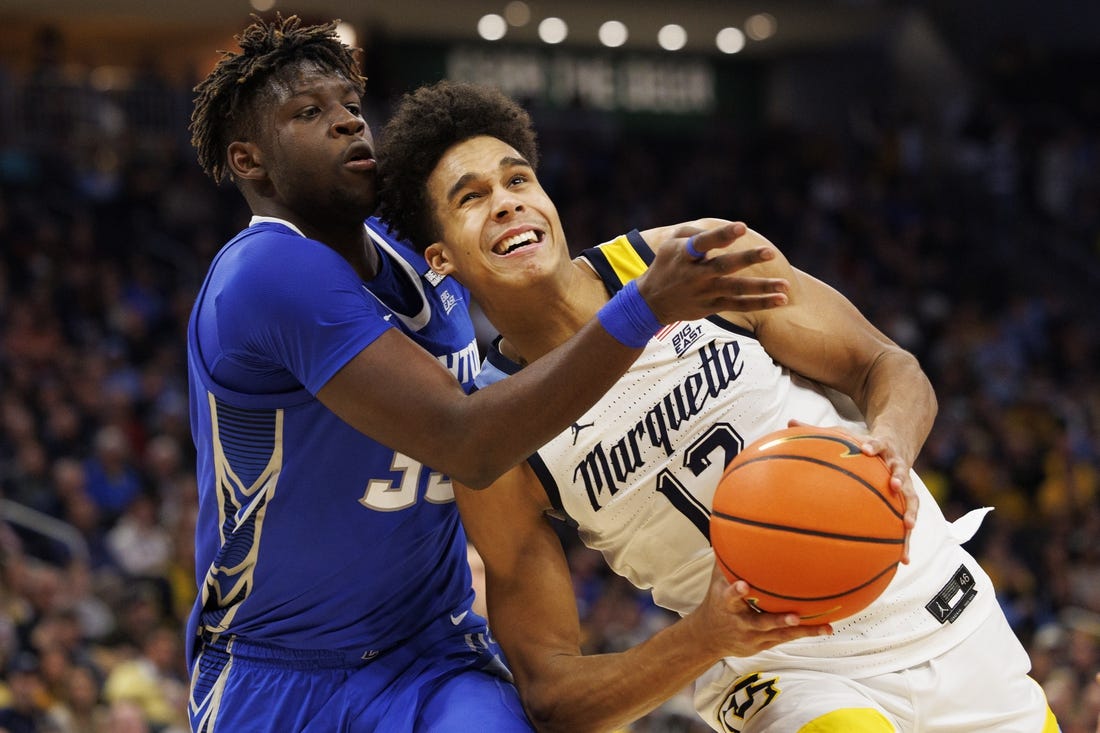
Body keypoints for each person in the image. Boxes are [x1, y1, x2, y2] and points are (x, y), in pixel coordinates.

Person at [375, 80, 1061, 733]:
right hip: (780, 668)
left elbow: (886, 365)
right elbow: (554, 699)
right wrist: (702, 636)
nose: (506, 202)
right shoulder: (494, 440)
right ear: (440, 257)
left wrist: (890, 445)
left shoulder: (695, 258)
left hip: (938, 602)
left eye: (518, 178)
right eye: (471, 197)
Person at [183, 14, 791, 733]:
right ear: (250, 161)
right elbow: (467, 442)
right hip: (279, 669)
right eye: (309, 113)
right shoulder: (265, 271)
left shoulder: (420, 240)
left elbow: (527, 256)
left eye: (350, 107)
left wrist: (640, 263)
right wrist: (643, 305)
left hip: (432, 652)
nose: (348, 125)